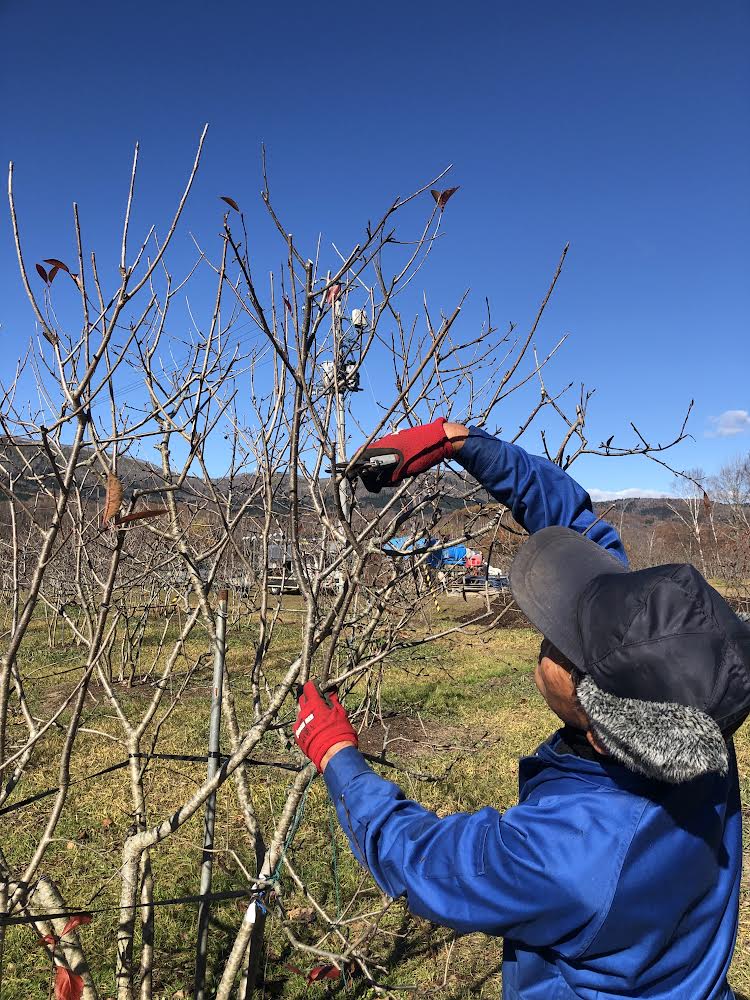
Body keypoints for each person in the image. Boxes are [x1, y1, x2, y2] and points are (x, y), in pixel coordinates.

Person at [293, 418, 750, 1000]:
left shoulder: (570, 853)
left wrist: (338, 758)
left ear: (603, 728)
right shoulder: (692, 719)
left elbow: (427, 863)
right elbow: (582, 532)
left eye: (559, 640)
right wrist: (464, 445)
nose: (543, 632)